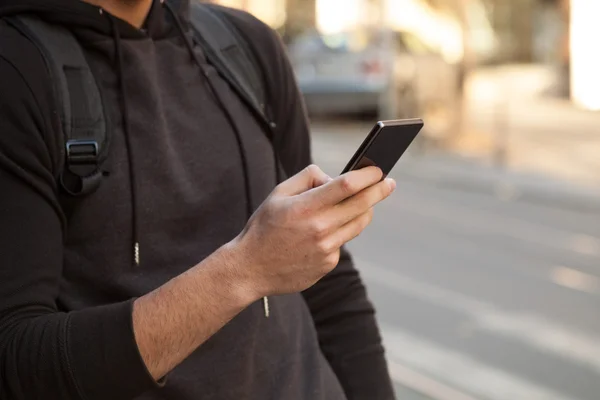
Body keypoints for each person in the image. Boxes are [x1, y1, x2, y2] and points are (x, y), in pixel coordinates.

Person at [0, 0, 397, 399]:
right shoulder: (17, 69)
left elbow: (329, 284)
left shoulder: (247, 45)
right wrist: (244, 270)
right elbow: (16, 358)